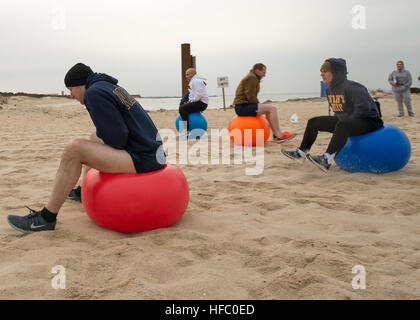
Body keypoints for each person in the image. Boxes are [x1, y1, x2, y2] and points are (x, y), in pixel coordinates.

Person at [7, 63, 166, 233]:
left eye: (70, 90)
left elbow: (118, 137)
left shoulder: (93, 93)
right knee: (94, 136)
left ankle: (46, 218)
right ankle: (83, 192)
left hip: (144, 159)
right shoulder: (108, 87)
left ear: (79, 84)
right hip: (153, 153)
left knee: (74, 149)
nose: (71, 96)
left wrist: (99, 146)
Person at [281, 58, 383, 172]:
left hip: (370, 121)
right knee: (313, 122)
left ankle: (327, 159)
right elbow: (339, 111)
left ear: (336, 73)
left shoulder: (353, 87)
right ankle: (301, 153)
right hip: (345, 121)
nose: (321, 74)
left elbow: (364, 109)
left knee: (342, 123)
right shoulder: (329, 89)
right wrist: (338, 123)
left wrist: (345, 123)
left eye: (325, 71)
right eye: (321, 71)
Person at [233, 63, 296, 143]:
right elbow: (250, 95)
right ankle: (279, 135)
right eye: (263, 72)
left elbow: (250, 96)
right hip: (242, 107)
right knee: (272, 109)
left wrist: (259, 106)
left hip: (242, 106)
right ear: (257, 71)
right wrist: (259, 105)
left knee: (268, 111)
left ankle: (276, 135)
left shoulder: (253, 77)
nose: (264, 75)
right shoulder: (251, 77)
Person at [178, 68, 208, 136]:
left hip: (201, 103)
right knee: (184, 107)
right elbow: (193, 94)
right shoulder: (195, 81)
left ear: (193, 74)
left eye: (187, 74)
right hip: (200, 102)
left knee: (182, 108)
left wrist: (191, 102)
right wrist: (190, 101)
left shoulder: (196, 81)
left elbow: (199, 95)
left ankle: (186, 131)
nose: (186, 76)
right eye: (185, 75)